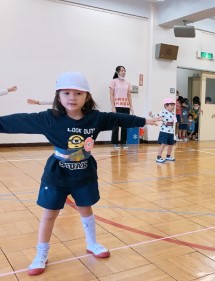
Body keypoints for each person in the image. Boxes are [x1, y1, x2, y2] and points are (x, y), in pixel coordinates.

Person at [0, 72, 160, 276]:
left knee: (86, 209)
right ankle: (41, 253)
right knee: (49, 215)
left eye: (78, 93)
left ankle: (92, 243)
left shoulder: (96, 118)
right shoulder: (49, 118)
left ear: (87, 97)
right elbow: (19, 121)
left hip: (84, 173)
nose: (72, 97)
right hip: (57, 175)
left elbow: (119, 118)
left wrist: (144, 120)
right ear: (58, 96)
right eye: (66, 93)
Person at [109, 65, 134, 149]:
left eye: (124, 71)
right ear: (117, 72)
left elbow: (129, 96)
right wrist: (113, 107)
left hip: (126, 106)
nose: (123, 72)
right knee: (116, 125)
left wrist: (131, 107)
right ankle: (115, 142)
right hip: (117, 106)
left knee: (125, 125)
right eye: (122, 70)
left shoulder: (128, 83)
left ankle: (123, 142)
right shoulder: (113, 81)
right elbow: (111, 95)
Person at [149, 97, 177, 163]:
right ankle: (158, 157)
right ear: (166, 106)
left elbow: (175, 121)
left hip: (171, 132)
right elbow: (157, 116)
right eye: (171, 105)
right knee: (163, 144)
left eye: (173, 105)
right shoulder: (163, 112)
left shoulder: (173, 113)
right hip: (164, 131)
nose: (173, 107)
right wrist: (152, 115)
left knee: (171, 144)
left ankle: (168, 156)